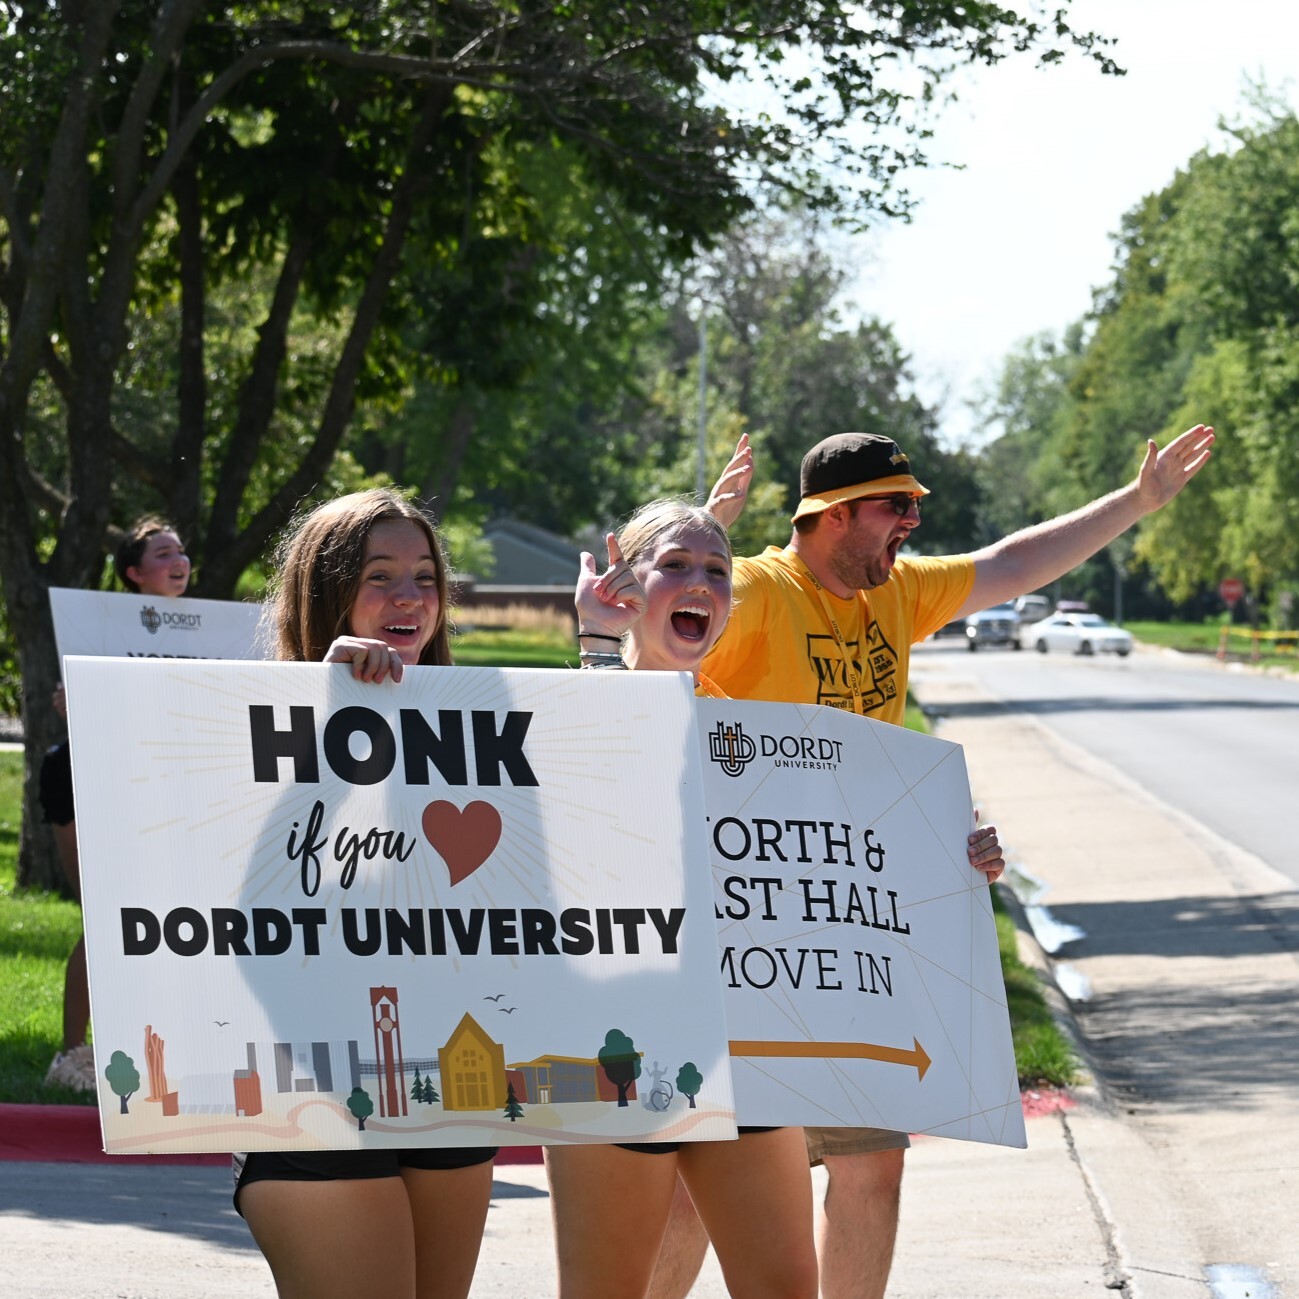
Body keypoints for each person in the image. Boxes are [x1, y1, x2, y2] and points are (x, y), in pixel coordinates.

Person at [651, 423, 1215, 1299]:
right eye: (896, 505)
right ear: (833, 515)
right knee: (703, 1191)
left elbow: (1011, 563)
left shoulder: (896, 592)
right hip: (745, 943)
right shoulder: (759, 591)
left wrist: (1136, 504)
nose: (912, 520)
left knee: (873, 1167)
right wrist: (694, 539)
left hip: (857, 945)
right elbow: (648, 659)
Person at [545, 498, 820, 1299]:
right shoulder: (556, 714)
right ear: (625, 579)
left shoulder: (758, 737)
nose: (699, 583)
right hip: (607, 1047)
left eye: (716, 572)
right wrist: (596, 645)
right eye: (674, 564)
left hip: (743, 1043)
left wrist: (950, 855)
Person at [234, 488, 496, 1299]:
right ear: (326, 592)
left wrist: (600, 639)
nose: (410, 597)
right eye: (380, 575)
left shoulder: (480, 734)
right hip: (308, 1098)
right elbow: (241, 901)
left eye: (425, 576)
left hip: (452, 1091)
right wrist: (330, 712)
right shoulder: (243, 727)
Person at [42, 518, 193, 1091]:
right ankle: (70, 1055)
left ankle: (159, 1043)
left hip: (158, 783)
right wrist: (73, 705)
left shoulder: (204, 636)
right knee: (104, 917)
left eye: (180, 551)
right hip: (83, 777)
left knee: (164, 915)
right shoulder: (96, 628)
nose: (178, 560)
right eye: (162, 553)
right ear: (134, 573)